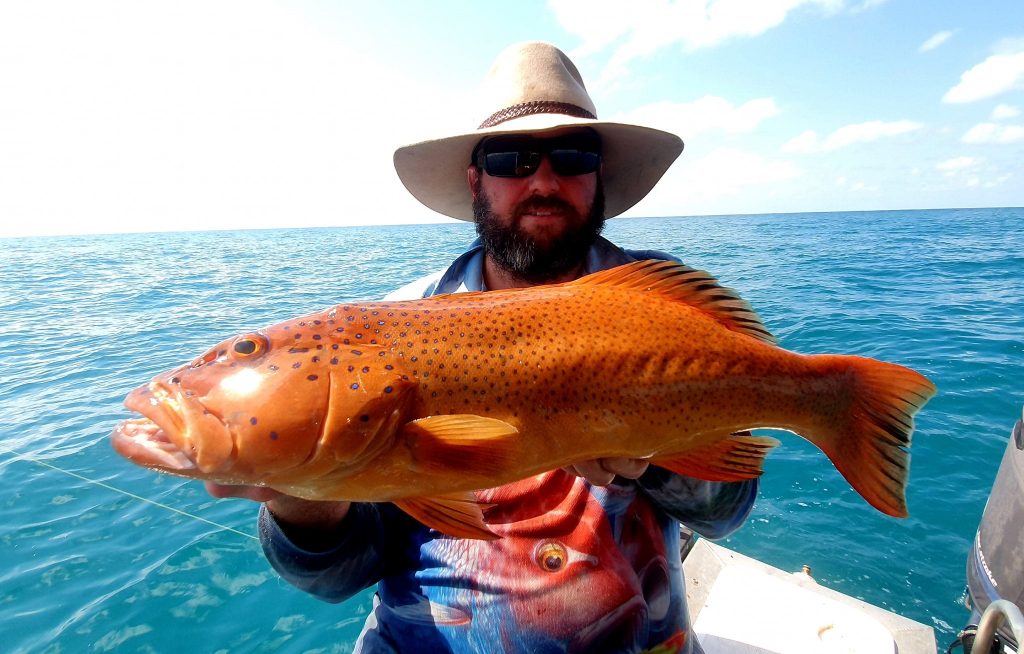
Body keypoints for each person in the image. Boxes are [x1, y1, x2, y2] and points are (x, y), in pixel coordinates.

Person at [208, 41, 757, 653]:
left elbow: (725, 512)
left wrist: (656, 453)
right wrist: (300, 500)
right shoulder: (390, 331)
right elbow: (338, 576)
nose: (544, 180)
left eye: (573, 155)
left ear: (598, 174)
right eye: (511, 158)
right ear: (476, 178)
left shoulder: (662, 309)